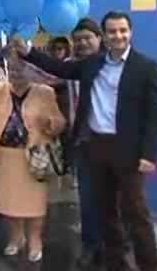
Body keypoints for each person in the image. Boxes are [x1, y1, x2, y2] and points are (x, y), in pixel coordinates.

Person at [11, 11, 157, 271]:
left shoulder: (147, 68)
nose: (118, 36)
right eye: (113, 31)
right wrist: (27, 50)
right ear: (105, 36)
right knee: (106, 214)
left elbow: (154, 116)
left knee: (136, 214)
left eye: (123, 30)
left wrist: (148, 155)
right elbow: (60, 68)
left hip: (128, 151)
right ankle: (117, 265)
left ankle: (149, 267)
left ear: (130, 32)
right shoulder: (93, 64)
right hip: (95, 147)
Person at [0, 48, 66, 263]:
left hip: (34, 155)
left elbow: (60, 122)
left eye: (21, 70)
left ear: (31, 71)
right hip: (5, 156)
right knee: (9, 203)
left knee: (35, 204)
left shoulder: (45, 92)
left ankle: (35, 240)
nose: (15, 73)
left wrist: (51, 125)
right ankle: (16, 237)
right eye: (12, 69)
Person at [66, 18, 105, 268]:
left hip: (111, 142)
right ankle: (90, 246)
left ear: (99, 39)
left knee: (114, 198)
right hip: (82, 141)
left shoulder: (110, 66)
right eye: (77, 40)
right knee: (87, 198)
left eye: (87, 38)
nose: (82, 44)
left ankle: (113, 247)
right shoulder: (70, 67)